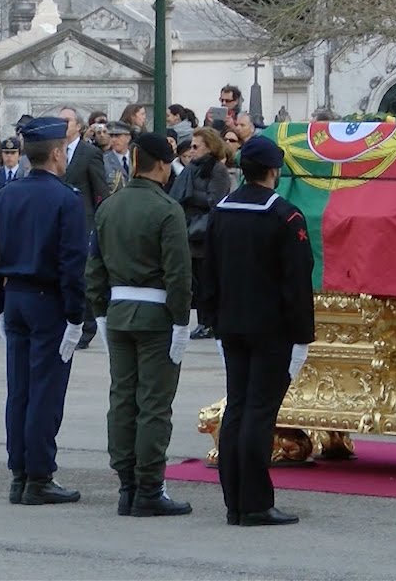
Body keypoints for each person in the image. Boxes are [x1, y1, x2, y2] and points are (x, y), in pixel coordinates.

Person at [199, 136, 314, 527]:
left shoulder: (221, 212)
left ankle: (235, 500)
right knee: (259, 414)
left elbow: (208, 272)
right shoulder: (285, 216)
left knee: (237, 409)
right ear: (273, 171)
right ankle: (255, 503)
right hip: (271, 330)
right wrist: (302, 336)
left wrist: (212, 320)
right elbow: (297, 282)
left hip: (230, 325)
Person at [0, 117, 89, 505]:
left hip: (17, 298)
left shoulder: (6, 195)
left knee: (20, 390)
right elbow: (73, 266)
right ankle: (39, 475)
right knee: (45, 391)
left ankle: (20, 472)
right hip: (48, 302)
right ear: (58, 152)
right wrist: (76, 317)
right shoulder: (67, 199)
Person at [86, 132, 194, 518]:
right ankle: (149, 486)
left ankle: (127, 485)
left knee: (122, 399)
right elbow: (179, 274)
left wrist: (100, 311)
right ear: (163, 165)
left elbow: (94, 267)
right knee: (153, 404)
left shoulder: (108, 207)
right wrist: (182, 320)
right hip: (156, 317)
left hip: (117, 314)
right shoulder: (167, 210)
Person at [59, 106, 111, 349]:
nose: (63, 125)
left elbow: (101, 190)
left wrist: (101, 223)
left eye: (67, 121)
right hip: (58, 221)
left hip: (83, 221)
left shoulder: (89, 153)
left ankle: (87, 328)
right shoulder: (54, 151)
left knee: (84, 277)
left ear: (78, 126)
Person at [176, 127, 231, 341]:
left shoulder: (217, 170)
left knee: (206, 280)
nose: (191, 150)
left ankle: (208, 322)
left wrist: (191, 197)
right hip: (191, 229)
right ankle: (203, 321)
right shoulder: (193, 169)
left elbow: (215, 201)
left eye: (196, 146)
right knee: (196, 281)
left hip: (206, 233)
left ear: (209, 147)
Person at [103, 121, 133, 193]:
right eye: (111, 136)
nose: (113, 140)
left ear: (128, 138)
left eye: (117, 136)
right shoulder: (104, 160)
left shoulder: (136, 158)